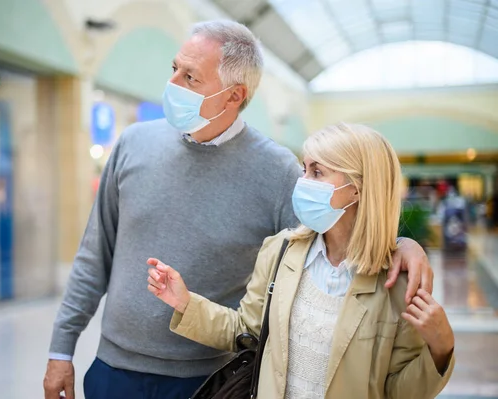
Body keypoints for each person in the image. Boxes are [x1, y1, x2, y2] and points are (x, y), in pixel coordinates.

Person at [44, 21, 434, 399]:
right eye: (174, 69)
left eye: (190, 77)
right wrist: (61, 351)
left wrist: (401, 245)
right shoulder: (133, 144)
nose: (173, 84)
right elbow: (94, 255)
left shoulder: (279, 171)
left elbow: (330, 243)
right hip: (115, 371)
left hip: (213, 379)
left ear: (234, 96)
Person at [148, 123, 455, 398]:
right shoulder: (280, 251)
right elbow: (247, 331)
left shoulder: (398, 283)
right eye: (304, 168)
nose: (303, 180)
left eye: (317, 172)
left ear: (357, 189)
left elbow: (397, 391)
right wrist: (186, 303)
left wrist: (440, 350)